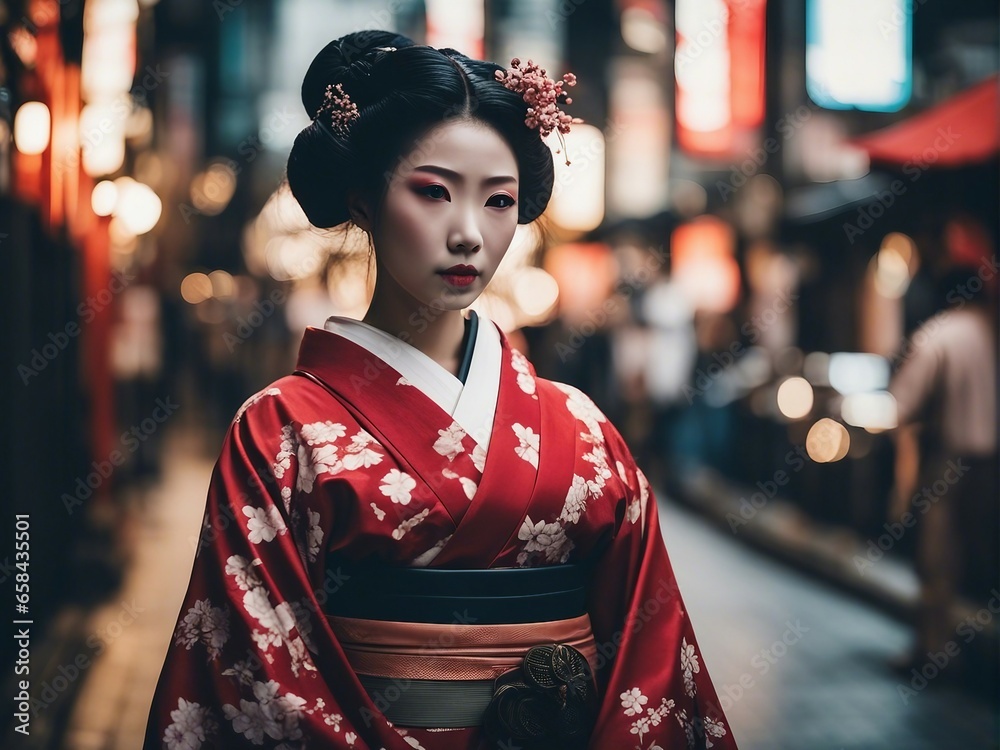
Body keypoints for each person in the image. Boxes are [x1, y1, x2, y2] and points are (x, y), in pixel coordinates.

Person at [143, 30, 738, 750]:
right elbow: (257, 677)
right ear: (362, 202)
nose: (468, 233)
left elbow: (651, 655)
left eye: (498, 201)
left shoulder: (580, 425)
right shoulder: (278, 431)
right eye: (432, 192)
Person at [888, 265, 998, 681]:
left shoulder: (939, 333)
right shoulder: (993, 329)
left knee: (938, 561)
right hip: (993, 464)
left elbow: (901, 405)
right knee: (983, 560)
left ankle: (934, 653)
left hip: (951, 462)